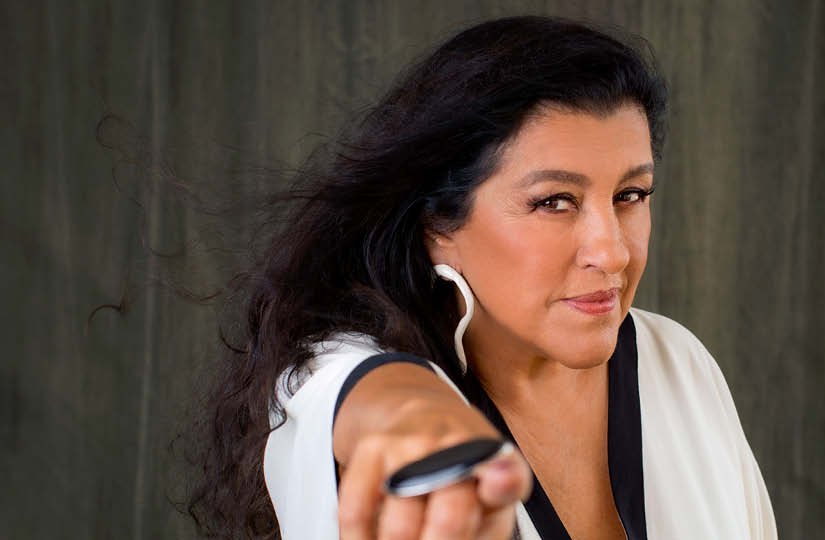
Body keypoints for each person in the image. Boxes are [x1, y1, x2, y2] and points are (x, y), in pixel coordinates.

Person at [189, 15, 777, 540]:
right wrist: (428, 442)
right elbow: (368, 397)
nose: (612, 252)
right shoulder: (336, 373)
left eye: (631, 194)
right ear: (438, 224)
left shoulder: (678, 362)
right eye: (553, 201)